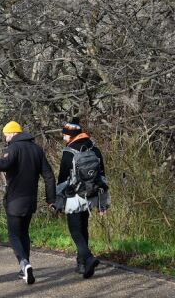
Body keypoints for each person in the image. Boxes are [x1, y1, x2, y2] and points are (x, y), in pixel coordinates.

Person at [0, 121, 56, 285]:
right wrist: (51, 199)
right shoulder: (37, 149)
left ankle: (24, 264)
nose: (6, 139)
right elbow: (49, 176)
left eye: (7, 135)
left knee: (14, 235)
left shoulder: (14, 148)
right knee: (24, 234)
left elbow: (2, 164)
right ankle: (24, 269)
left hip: (15, 200)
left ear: (14, 133)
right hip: (31, 201)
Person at [58, 117, 107, 279]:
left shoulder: (68, 152)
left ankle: (88, 257)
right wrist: (103, 204)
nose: (63, 137)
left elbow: (62, 179)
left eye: (64, 134)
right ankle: (82, 264)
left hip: (74, 196)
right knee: (83, 227)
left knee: (74, 229)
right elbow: (102, 176)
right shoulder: (95, 149)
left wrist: (57, 201)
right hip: (92, 195)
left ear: (70, 135)